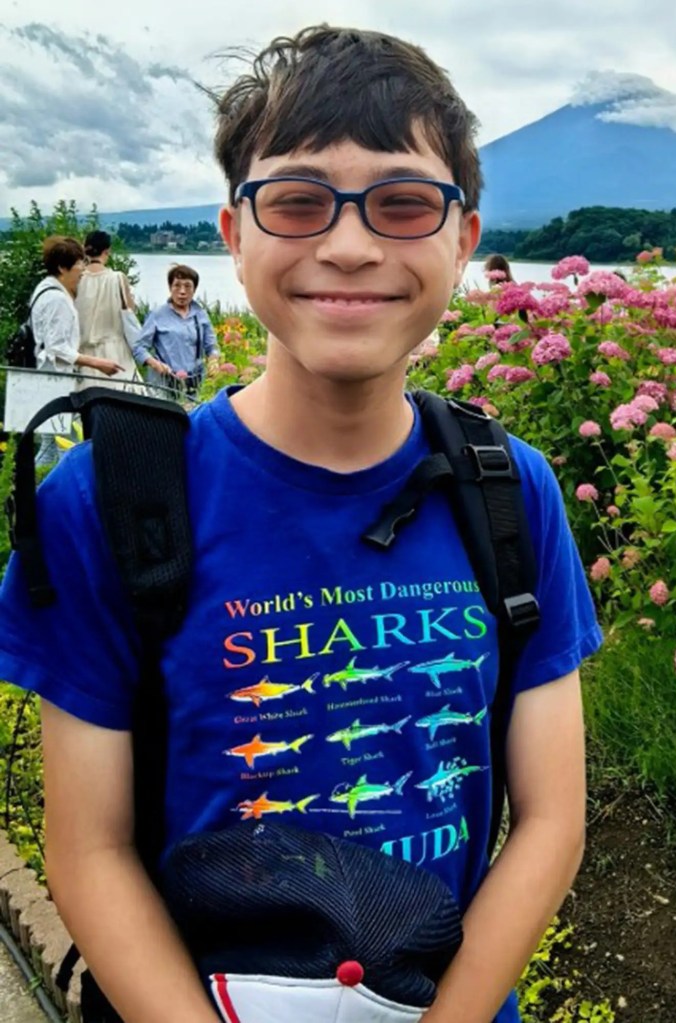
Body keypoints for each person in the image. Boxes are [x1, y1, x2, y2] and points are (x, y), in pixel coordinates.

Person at [0, 26, 601, 1023]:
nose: (351, 244)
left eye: (404, 203)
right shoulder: (113, 500)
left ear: (464, 236)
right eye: (297, 200)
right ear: (233, 233)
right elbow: (89, 849)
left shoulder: (510, 490)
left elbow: (551, 819)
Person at [30, 235, 123, 465]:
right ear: (62, 267)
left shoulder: (44, 289)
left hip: (47, 379)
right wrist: (98, 363)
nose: (82, 272)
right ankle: (25, 494)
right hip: (56, 382)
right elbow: (57, 348)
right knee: (63, 448)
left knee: (52, 447)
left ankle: (24, 491)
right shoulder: (56, 300)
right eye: (78, 267)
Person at [132, 264, 220, 394]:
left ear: (194, 289)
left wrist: (213, 360)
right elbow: (139, 348)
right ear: (170, 287)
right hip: (163, 384)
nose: (182, 291)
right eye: (177, 285)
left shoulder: (201, 314)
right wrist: (155, 364)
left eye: (187, 286)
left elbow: (211, 345)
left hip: (194, 384)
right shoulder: (157, 314)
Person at [75, 230, 141, 389]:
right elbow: (131, 313)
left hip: (83, 354)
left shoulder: (76, 278)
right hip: (116, 352)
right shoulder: (117, 278)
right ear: (107, 251)